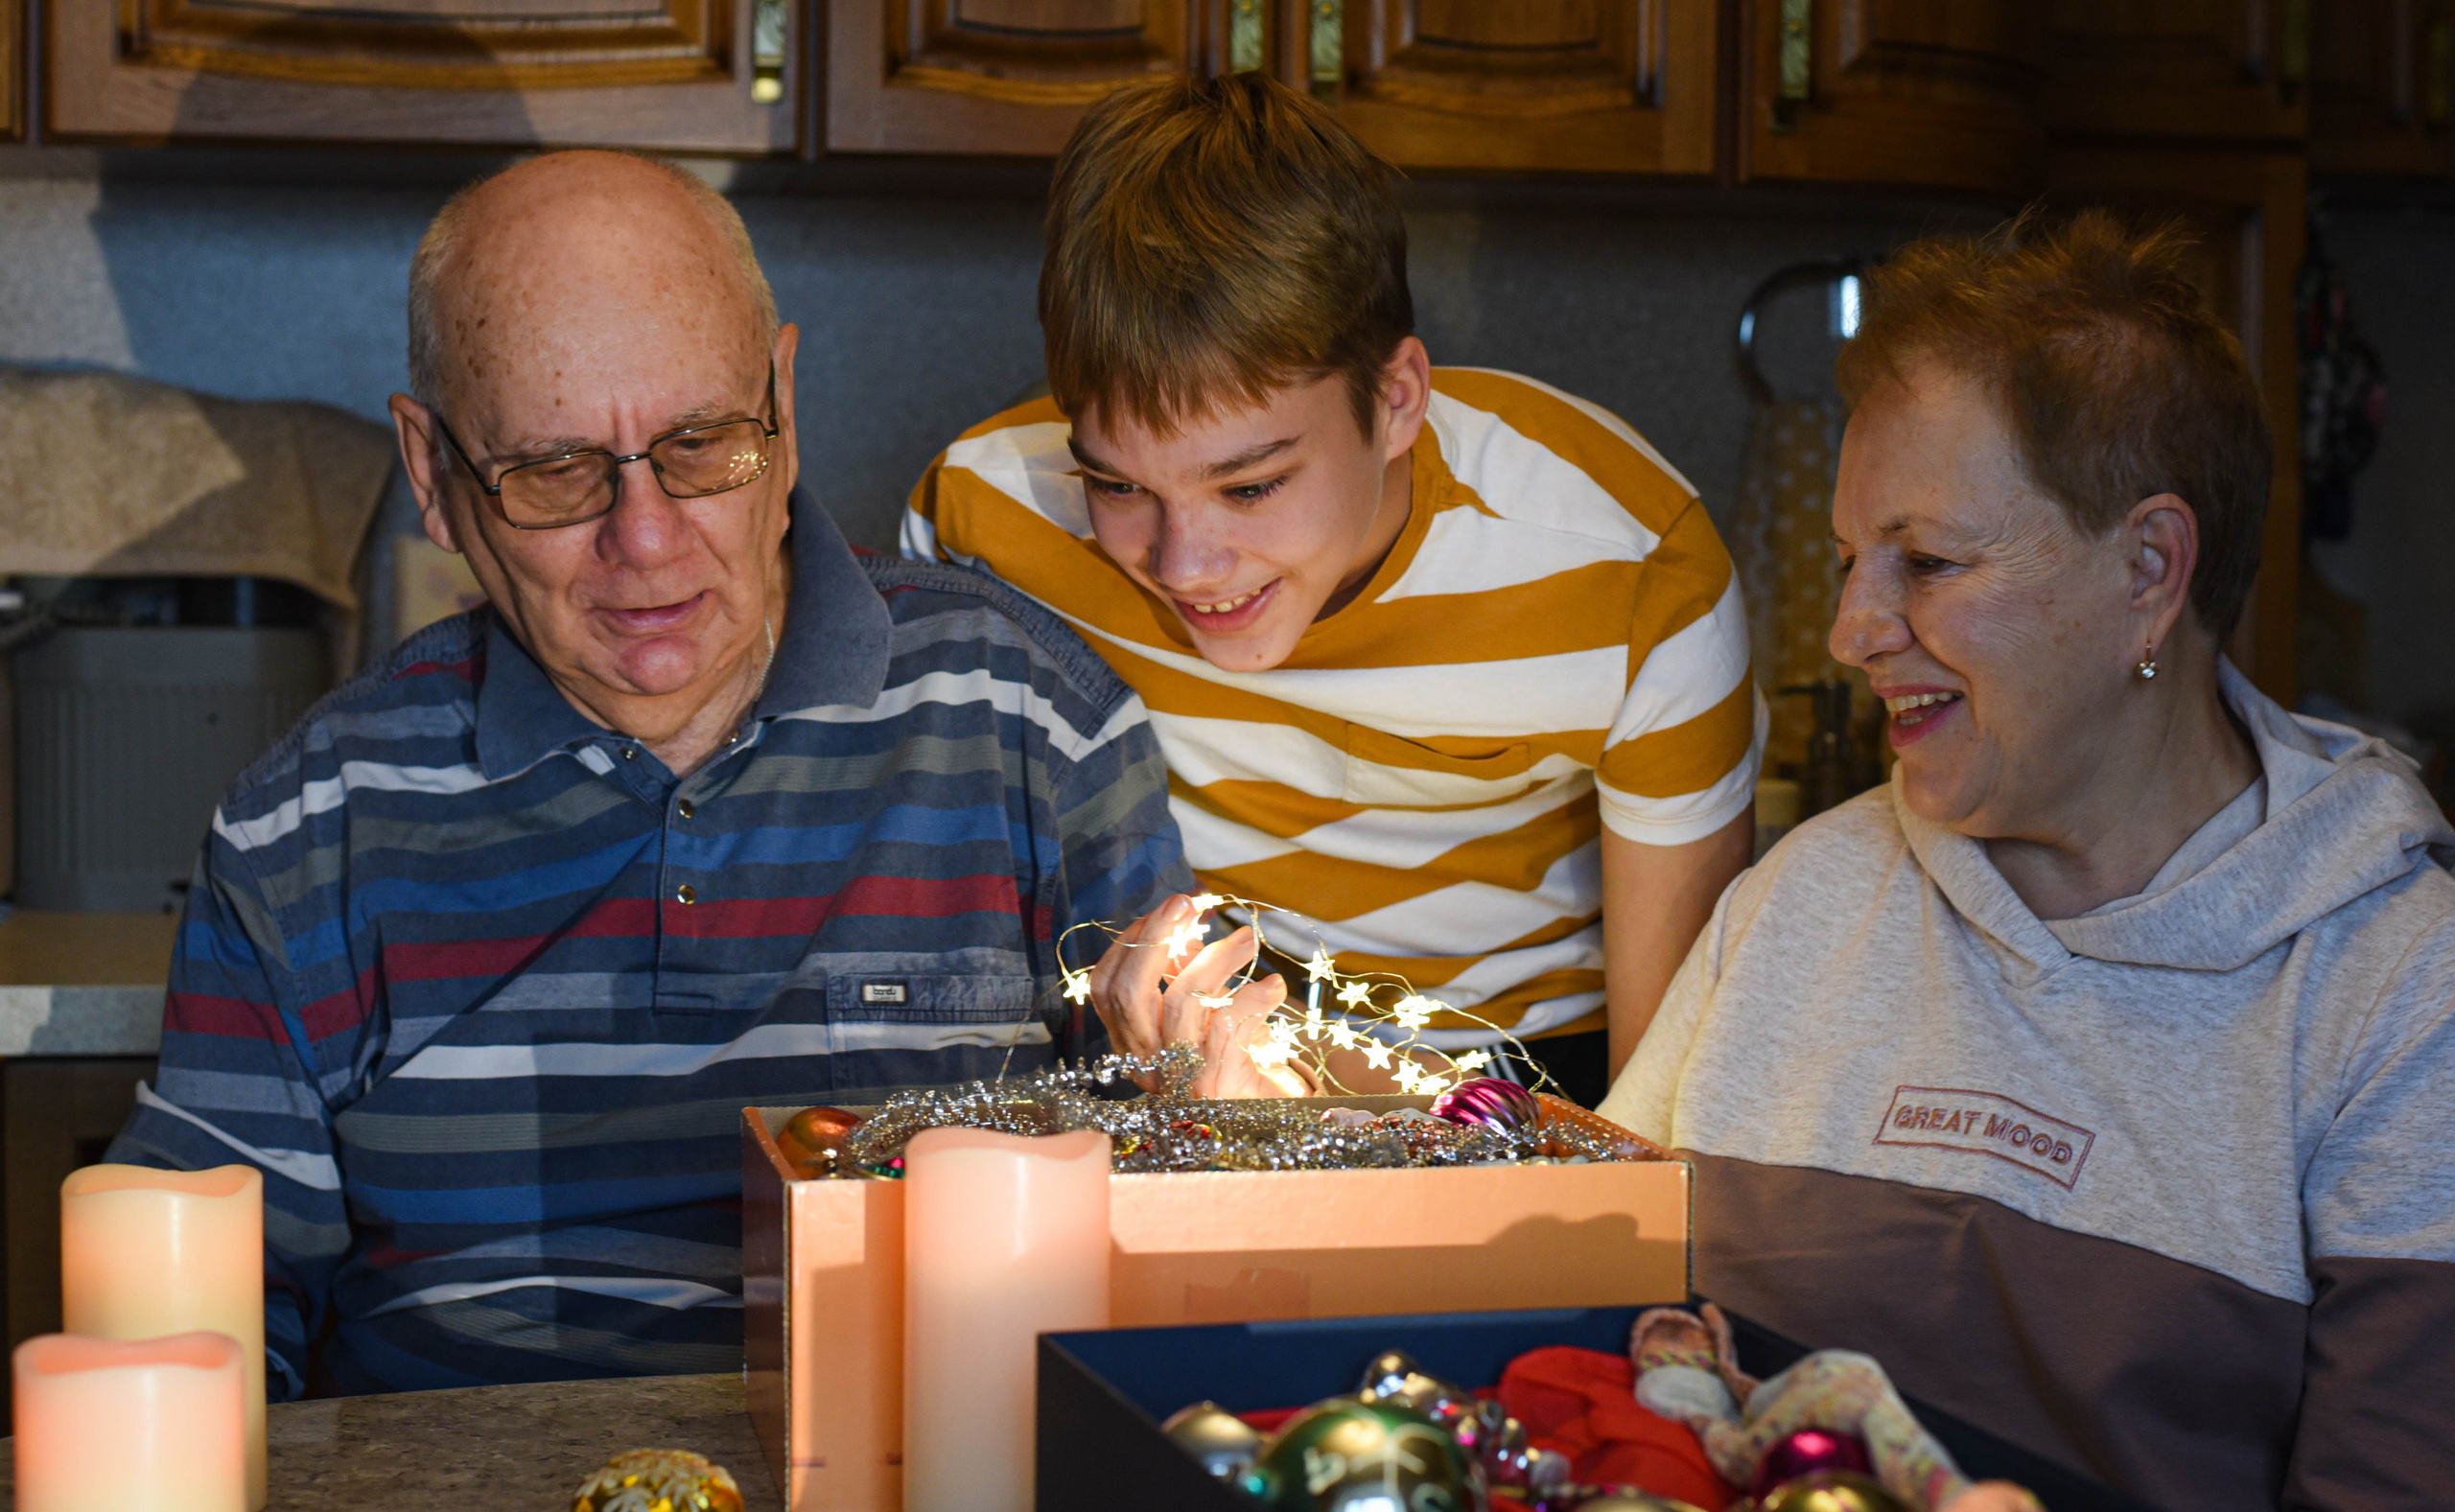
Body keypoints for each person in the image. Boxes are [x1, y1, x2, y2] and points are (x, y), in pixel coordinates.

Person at [105, 151, 1194, 1397]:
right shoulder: (307, 827)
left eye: (701, 443)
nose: (646, 539)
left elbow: (1172, 1219)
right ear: (435, 477)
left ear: (782, 408)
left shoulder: (1031, 722)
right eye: (555, 471)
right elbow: (193, 1321)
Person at [1599, 212, 2455, 1511]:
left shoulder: (2396, 998)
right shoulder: (1801, 901)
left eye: (1928, 563)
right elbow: (1597, 1334)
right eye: (1848, 562)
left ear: (2150, 569)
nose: (1848, 631)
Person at [906, 73, 1760, 1105]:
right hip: (1162, 1054)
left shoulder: (1630, 570)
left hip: (1537, 1085)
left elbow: (1665, 1099)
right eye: (1117, 483)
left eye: (1252, 483)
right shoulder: (980, 519)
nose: (1185, 563)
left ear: (1396, 398)